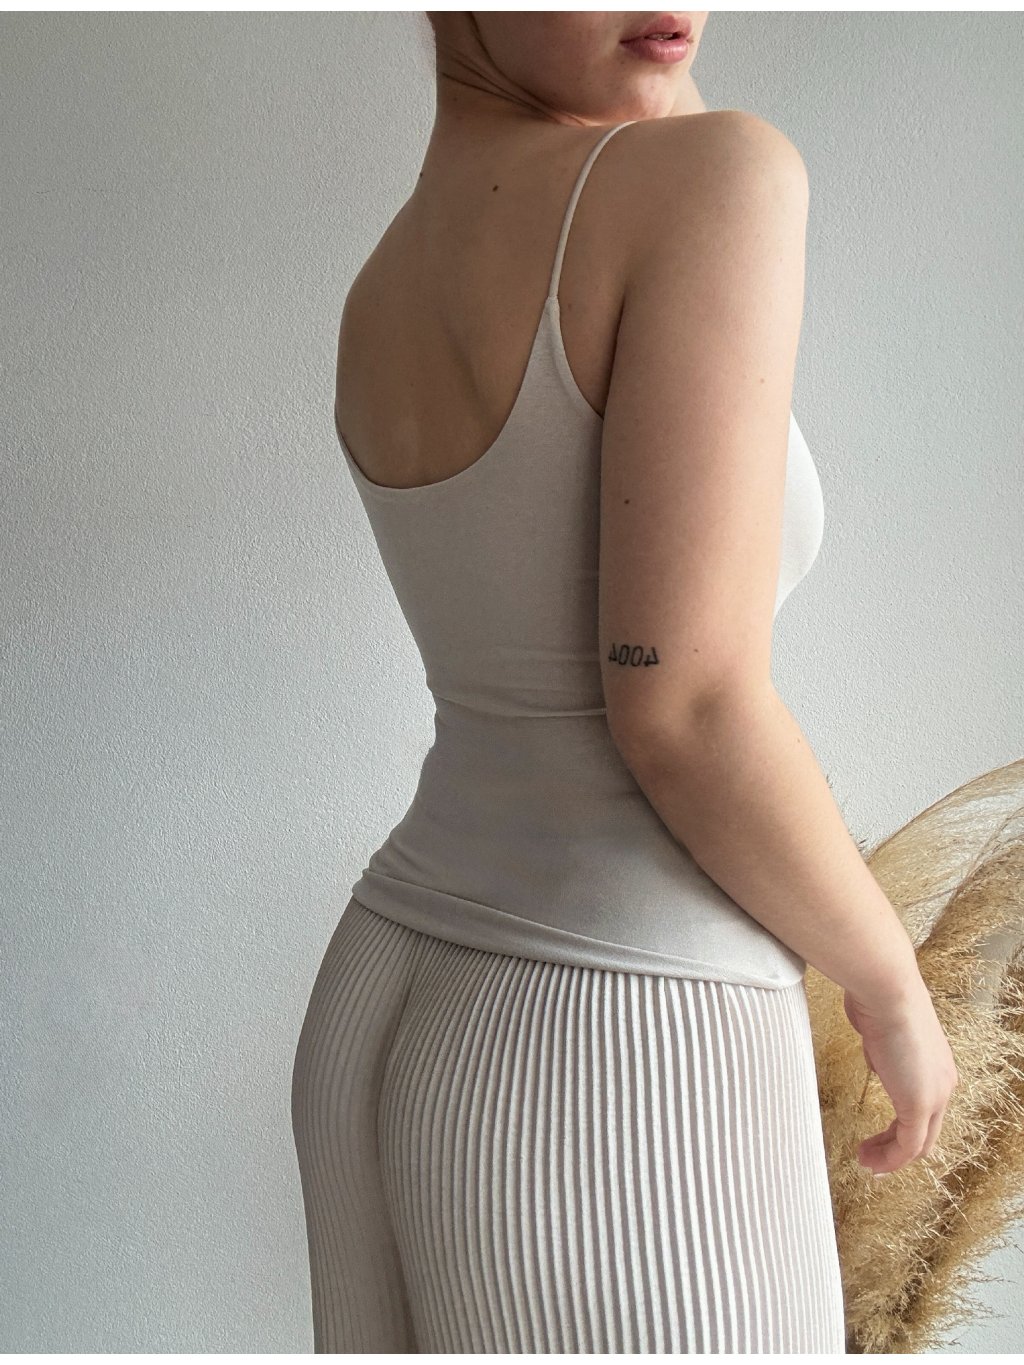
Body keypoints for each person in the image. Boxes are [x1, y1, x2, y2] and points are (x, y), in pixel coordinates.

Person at [291, 11, 959, 1354]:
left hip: (385, 996)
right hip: (619, 1037)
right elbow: (686, 707)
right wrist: (890, 982)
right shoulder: (712, 181)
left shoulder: (390, 274)